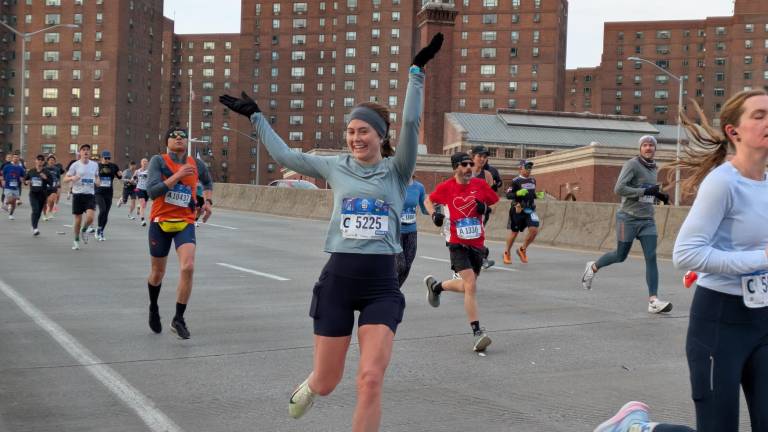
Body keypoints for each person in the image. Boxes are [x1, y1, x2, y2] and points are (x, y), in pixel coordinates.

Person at [220, 32, 441, 431]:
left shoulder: (397, 170)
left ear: (381, 136)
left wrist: (416, 73)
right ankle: (311, 384)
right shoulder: (333, 166)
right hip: (338, 281)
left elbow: (410, 121)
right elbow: (285, 156)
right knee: (327, 382)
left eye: (364, 131)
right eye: (352, 131)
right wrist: (256, 116)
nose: (356, 138)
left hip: (380, 286)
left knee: (370, 379)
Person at [593, 90, 768, 432]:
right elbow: (686, 254)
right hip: (720, 322)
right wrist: (760, 259)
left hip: (762, 320)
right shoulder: (723, 183)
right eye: (759, 115)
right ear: (734, 132)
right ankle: (637, 429)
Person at [580, 135, 672, 314]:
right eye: (645, 145)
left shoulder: (654, 167)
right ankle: (592, 267)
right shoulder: (632, 164)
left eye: (651, 145)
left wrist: (658, 195)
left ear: (655, 149)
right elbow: (619, 189)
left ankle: (653, 301)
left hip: (647, 219)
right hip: (628, 217)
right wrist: (644, 191)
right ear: (640, 148)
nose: (648, 148)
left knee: (651, 257)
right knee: (620, 255)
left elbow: (646, 189)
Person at [423, 151, 499, 352]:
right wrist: (434, 215)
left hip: (477, 243)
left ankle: (436, 287)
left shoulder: (480, 185)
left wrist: (485, 208)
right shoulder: (447, 187)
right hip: (456, 242)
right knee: (471, 285)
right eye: (464, 164)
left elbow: (493, 202)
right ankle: (477, 333)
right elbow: (427, 200)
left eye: (470, 164)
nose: (468, 168)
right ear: (455, 167)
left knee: (467, 286)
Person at [145, 127, 213, 339]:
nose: (179, 139)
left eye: (183, 136)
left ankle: (178, 318)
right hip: (161, 222)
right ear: (167, 142)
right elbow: (152, 191)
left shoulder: (196, 163)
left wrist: (208, 201)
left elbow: (208, 181)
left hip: (185, 222)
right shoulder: (159, 161)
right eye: (174, 137)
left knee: (188, 266)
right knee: (158, 273)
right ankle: (154, 307)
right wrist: (177, 176)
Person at [502, 160, 543, 264]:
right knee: (514, 233)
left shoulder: (533, 180)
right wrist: (517, 193)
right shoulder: (515, 181)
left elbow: (530, 194)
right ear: (521, 168)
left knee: (534, 230)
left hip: (530, 209)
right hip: (518, 209)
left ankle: (522, 249)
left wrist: (537, 195)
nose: (529, 170)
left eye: (530, 168)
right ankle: (507, 252)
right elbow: (508, 195)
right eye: (527, 167)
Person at [395, 175, 433, 287]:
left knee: (407, 266)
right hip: (396, 232)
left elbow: (424, 208)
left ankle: (394, 291)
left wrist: (434, 209)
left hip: (411, 232)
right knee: (400, 265)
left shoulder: (419, 187)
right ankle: (390, 291)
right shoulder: (394, 184)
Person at [64, 144, 99, 250]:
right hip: (78, 194)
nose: (86, 152)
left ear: (90, 153)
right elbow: (65, 179)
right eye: (83, 150)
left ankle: (84, 230)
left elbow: (97, 177)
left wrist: (97, 182)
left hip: (90, 194)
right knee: (78, 220)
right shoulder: (75, 165)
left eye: (88, 150)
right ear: (80, 153)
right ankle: (76, 239)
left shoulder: (94, 165)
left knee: (90, 218)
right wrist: (73, 178)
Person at [95, 150, 122, 241]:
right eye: (105, 158)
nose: (107, 159)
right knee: (102, 210)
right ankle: (98, 229)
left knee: (106, 213)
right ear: (101, 158)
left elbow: (119, 176)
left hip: (109, 192)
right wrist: (96, 179)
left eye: (108, 158)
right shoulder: (96, 166)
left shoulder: (113, 166)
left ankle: (102, 231)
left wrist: (120, 174)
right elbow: (92, 175)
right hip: (99, 192)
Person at [23, 155, 52, 236]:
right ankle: (35, 228)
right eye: (38, 159)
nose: (40, 161)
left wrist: (45, 178)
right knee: (35, 210)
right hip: (33, 194)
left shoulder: (46, 172)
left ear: (43, 162)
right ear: (35, 161)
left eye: (41, 160)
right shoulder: (31, 171)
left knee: (38, 212)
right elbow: (25, 180)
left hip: (42, 194)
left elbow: (51, 182)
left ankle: (34, 225)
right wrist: (26, 182)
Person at [1, 152, 25, 220]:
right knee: (11, 199)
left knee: (14, 203)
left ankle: (11, 214)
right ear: (12, 158)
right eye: (14, 157)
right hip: (8, 186)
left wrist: (22, 179)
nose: (15, 158)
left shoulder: (20, 168)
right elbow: (2, 174)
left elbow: (23, 176)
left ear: (18, 159)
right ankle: (5, 203)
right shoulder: (7, 166)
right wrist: (2, 181)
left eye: (17, 157)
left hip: (16, 187)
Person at [43, 155, 63, 220]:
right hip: (46, 186)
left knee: (52, 199)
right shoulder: (44, 169)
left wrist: (59, 185)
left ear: (55, 162)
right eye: (50, 160)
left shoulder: (57, 169)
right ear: (48, 161)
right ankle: (45, 214)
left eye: (53, 160)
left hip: (54, 186)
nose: (51, 161)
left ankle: (50, 212)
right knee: (46, 201)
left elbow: (58, 178)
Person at [134, 158, 150, 226]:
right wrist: (133, 180)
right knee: (143, 204)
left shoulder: (149, 171)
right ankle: (142, 220)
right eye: (143, 162)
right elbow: (134, 178)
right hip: (139, 188)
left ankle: (138, 206)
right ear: (141, 163)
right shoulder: (137, 171)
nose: (145, 163)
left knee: (143, 205)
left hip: (147, 190)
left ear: (148, 163)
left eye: (146, 162)